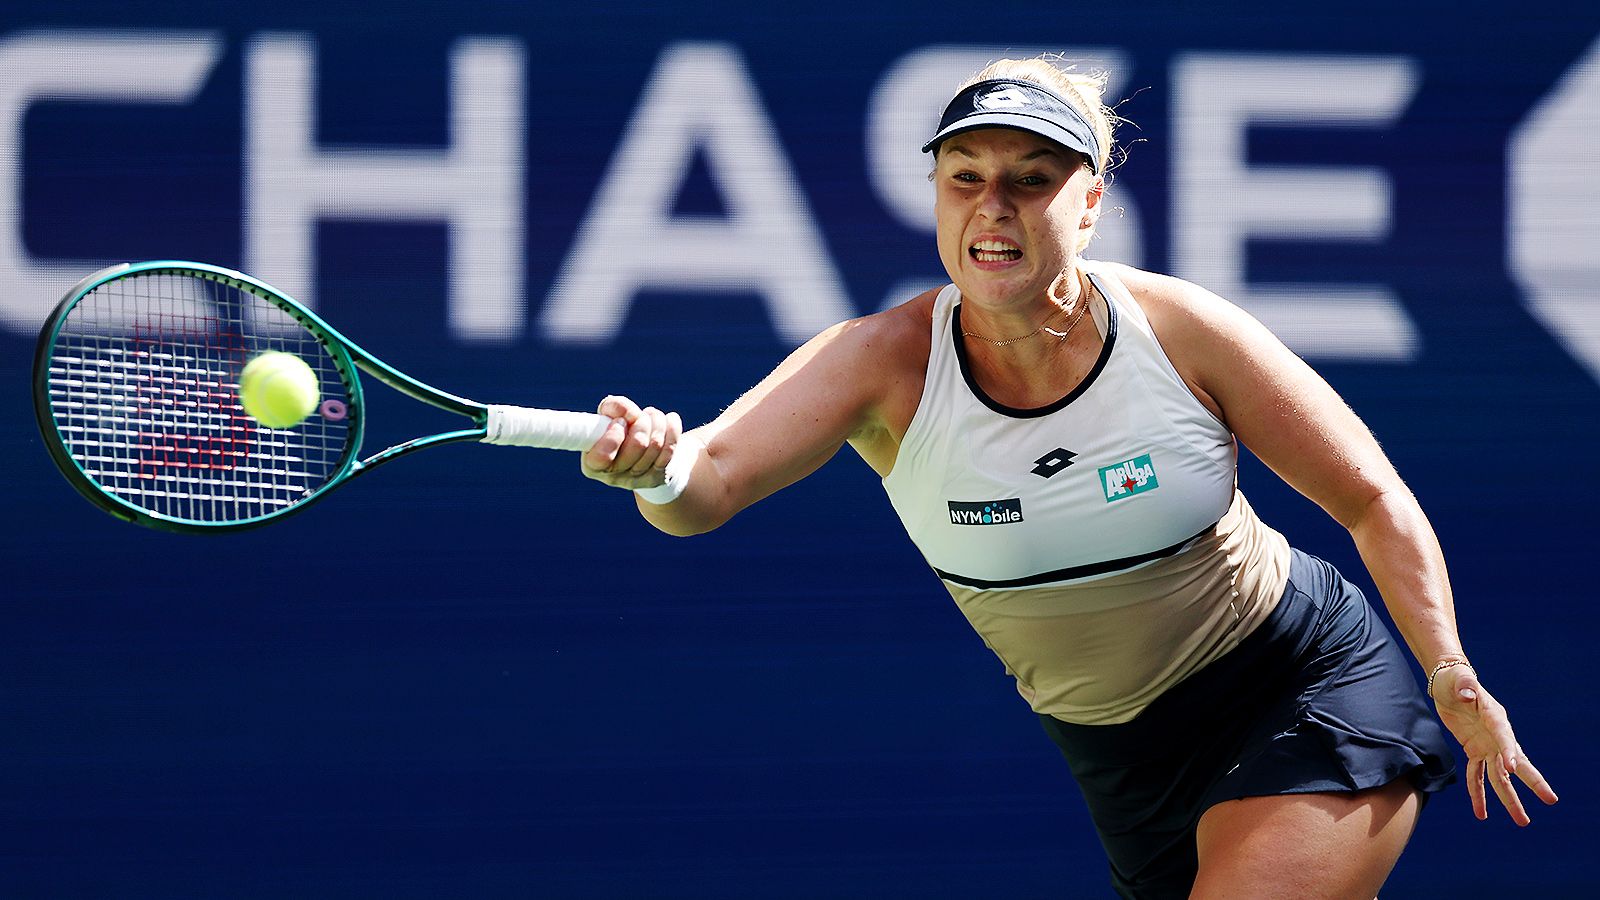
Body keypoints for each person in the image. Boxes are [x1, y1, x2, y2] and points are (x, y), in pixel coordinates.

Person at [575, 57, 1559, 899]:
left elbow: (1370, 497)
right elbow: (707, 485)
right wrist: (655, 470)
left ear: (1088, 205)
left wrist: (1447, 668)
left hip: (1299, 689)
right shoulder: (879, 362)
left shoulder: (1181, 332)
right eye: (964, 178)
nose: (991, 206)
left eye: (1030, 179)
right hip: (1121, 768)